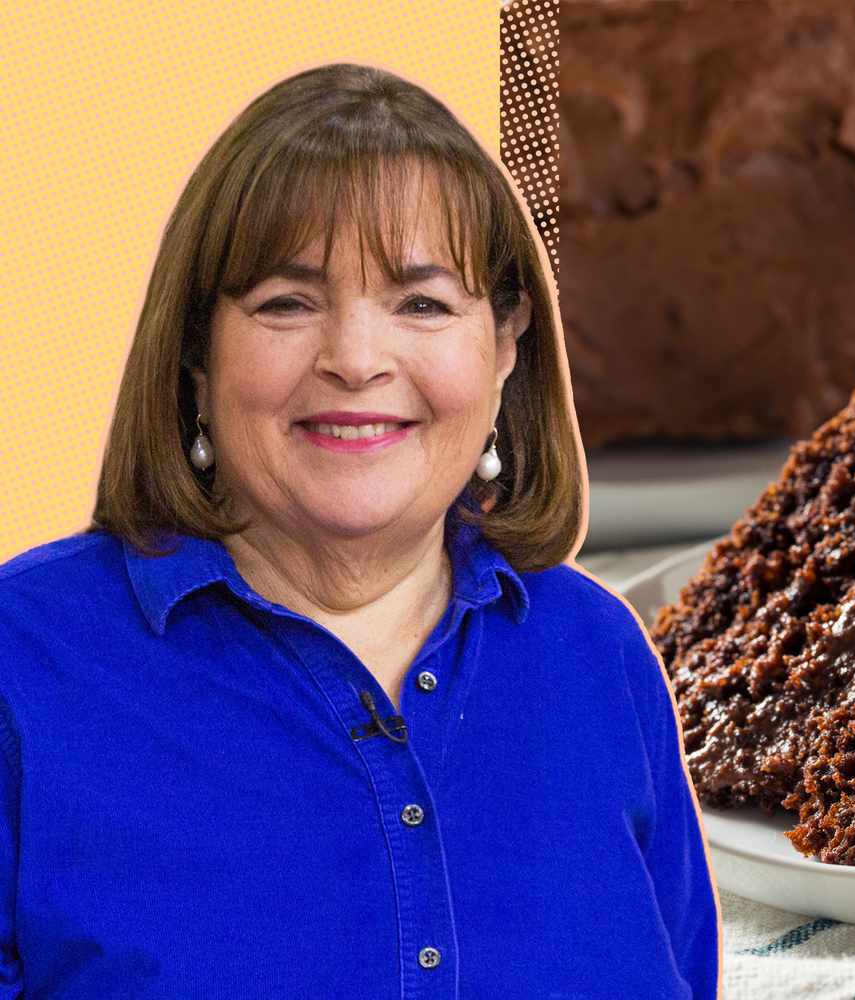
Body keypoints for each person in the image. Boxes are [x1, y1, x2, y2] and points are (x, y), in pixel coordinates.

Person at [0, 63, 721, 997]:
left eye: (422, 303)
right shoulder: (23, 660)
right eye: (287, 303)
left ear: (505, 344)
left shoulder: (596, 652)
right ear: (195, 355)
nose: (355, 360)